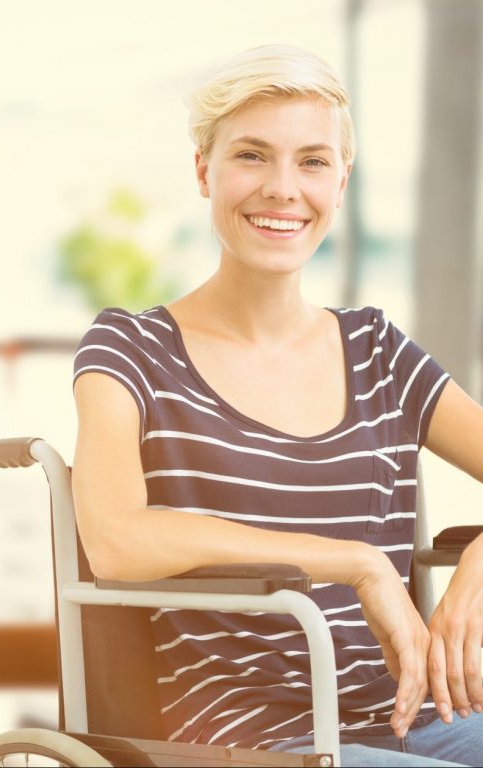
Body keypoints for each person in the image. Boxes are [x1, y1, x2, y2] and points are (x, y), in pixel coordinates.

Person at [71, 44, 483, 767]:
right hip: (257, 742)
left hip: (424, 716)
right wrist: (357, 563)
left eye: (313, 161)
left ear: (341, 181)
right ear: (204, 170)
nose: (283, 189)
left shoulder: (377, 350)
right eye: (252, 156)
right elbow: (115, 539)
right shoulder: (131, 350)